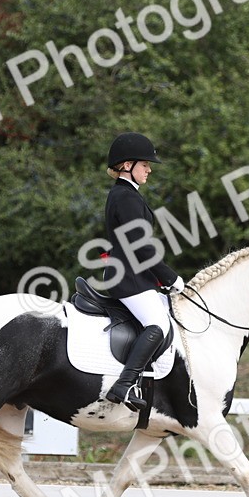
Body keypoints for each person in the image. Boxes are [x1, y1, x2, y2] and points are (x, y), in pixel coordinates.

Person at [101, 132, 184, 409]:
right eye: (144, 164)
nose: (149, 169)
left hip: (135, 275)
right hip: (129, 278)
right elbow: (140, 247)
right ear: (127, 165)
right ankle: (124, 385)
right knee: (158, 324)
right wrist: (170, 277)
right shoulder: (125, 197)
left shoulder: (127, 195)